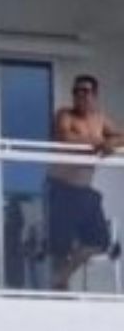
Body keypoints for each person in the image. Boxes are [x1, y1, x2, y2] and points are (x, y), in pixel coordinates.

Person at [48, 74, 124, 290]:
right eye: (76, 91)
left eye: (85, 91)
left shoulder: (100, 119)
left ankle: (61, 277)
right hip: (61, 189)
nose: (80, 95)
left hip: (83, 191)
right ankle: (57, 287)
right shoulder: (65, 115)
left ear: (94, 95)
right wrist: (100, 143)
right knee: (59, 246)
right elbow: (65, 138)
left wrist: (111, 144)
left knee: (100, 241)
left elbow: (121, 136)